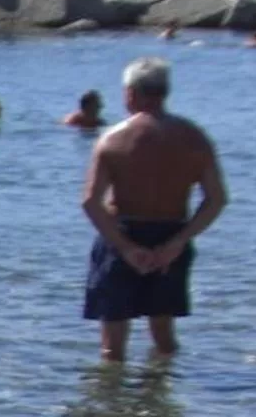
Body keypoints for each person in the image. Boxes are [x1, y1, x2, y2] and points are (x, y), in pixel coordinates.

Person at [81, 56, 226, 361]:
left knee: (112, 348)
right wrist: (177, 242)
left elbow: (91, 202)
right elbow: (216, 199)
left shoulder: (112, 140)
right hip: (171, 232)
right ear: (165, 91)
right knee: (164, 340)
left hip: (121, 234)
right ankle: (162, 401)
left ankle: (115, 406)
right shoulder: (195, 138)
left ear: (131, 93)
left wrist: (126, 248)